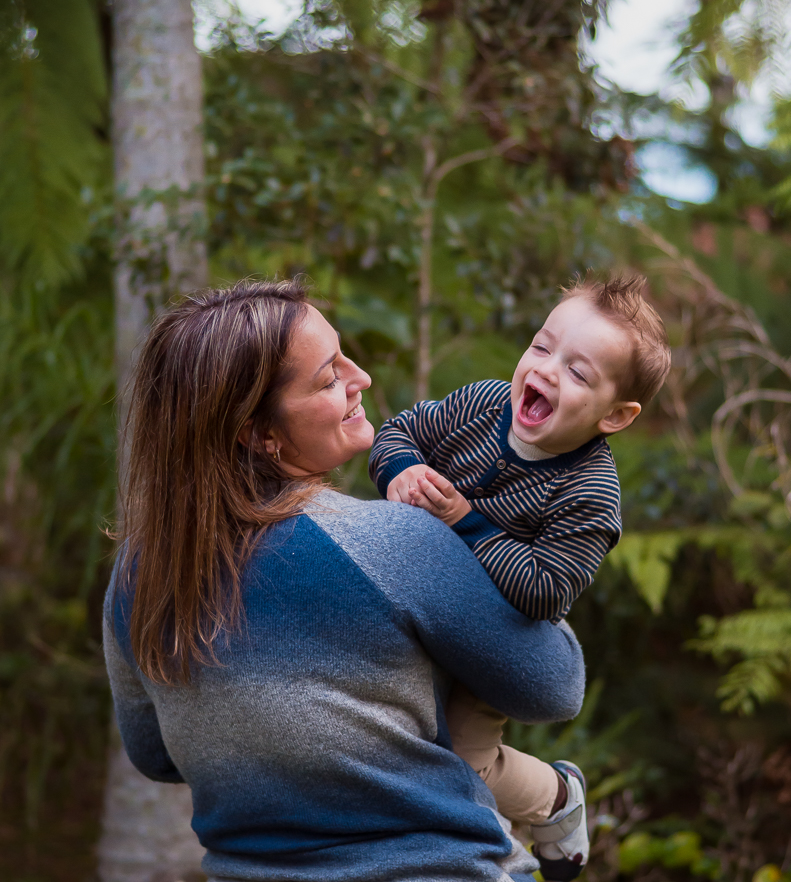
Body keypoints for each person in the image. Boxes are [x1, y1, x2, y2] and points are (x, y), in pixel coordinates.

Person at [103, 279, 588, 882]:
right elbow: (554, 686)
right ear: (259, 433)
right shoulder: (392, 544)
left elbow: (155, 754)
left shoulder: (141, 573)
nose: (361, 377)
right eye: (329, 377)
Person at [370, 274, 671, 880]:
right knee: (393, 732)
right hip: (418, 607)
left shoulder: (590, 493)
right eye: (541, 347)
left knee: (464, 762)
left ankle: (555, 801)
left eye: (578, 372)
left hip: (495, 636)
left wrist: (463, 519)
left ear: (616, 415)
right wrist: (400, 470)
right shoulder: (482, 404)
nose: (547, 371)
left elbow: (544, 590)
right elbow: (401, 430)